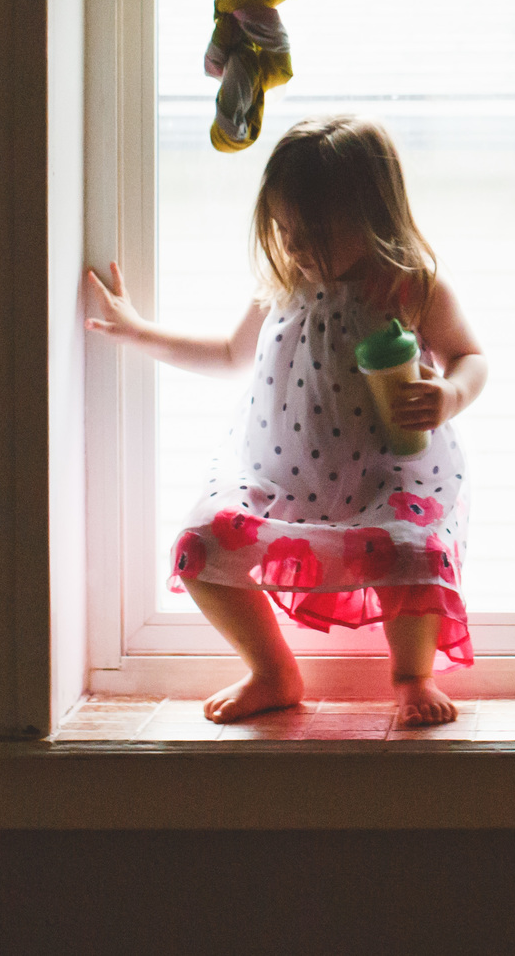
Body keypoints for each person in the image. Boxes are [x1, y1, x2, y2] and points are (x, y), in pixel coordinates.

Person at [86, 116, 487, 726]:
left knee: (414, 555)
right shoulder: (281, 285)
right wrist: (140, 333)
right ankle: (272, 669)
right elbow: (227, 354)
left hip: (388, 474)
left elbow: (470, 355)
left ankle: (411, 675)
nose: (295, 246)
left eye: (314, 231)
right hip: (278, 476)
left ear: (373, 216)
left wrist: (450, 395)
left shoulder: (410, 288)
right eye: (283, 229)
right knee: (199, 548)